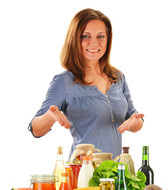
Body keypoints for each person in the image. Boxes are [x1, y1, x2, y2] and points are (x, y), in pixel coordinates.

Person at [28, 8, 144, 159]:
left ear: (108, 39)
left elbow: (134, 120)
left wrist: (136, 122)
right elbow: (36, 130)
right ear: (75, 39)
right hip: (81, 171)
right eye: (85, 36)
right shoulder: (64, 82)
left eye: (100, 36)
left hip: (114, 172)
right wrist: (50, 115)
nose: (94, 43)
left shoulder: (118, 77)